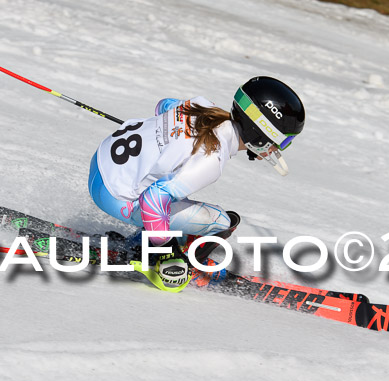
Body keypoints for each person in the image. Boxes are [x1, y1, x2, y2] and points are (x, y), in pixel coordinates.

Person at [88, 76, 305, 288]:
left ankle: (155, 239)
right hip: (113, 196)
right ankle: (165, 255)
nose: (278, 149)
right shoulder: (211, 161)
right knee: (222, 222)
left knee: (175, 185)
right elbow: (152, 201)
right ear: (262, 133)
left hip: (100, 163)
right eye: (282, 141)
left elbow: (163, 105)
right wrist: (167, 252)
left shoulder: (202, 106)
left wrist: (166, 135)